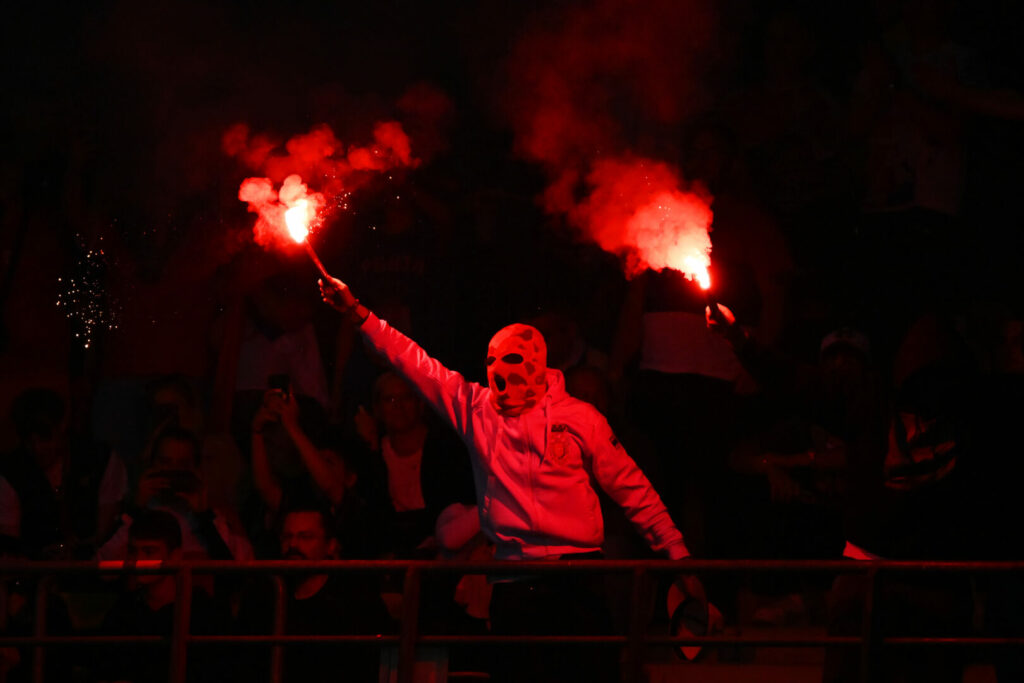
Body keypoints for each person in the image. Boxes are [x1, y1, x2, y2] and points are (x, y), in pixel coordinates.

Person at [319, 274, 694, 683]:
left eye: (513, 363)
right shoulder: (476, 409)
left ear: (537, 366)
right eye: (493, 364)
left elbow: (633, 489)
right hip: (514, 583)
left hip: (579, 578)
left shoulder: (579, 418)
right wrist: (359, 314)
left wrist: (680, 557)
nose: (501, 375)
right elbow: (414, 362)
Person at [235, 505, 393, 683]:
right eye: (287, 537)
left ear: (330, 546)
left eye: (306, 537)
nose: (293, 545)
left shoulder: (355, 599)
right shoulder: (264, 595)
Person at [95, 509, 231, 683]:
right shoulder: (123, 611)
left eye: (149, 552)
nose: (137, 560)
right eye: (133, 551)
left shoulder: (203, 612)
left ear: (174, 556)